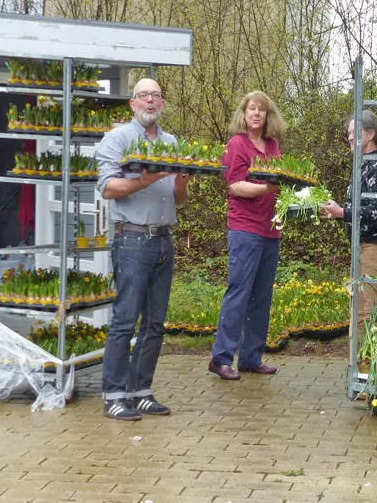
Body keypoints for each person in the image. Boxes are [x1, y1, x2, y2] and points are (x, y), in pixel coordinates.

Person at [96, 78, 191, 421]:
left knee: (155, 323)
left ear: (162, 103)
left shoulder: (171, 143)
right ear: (132, 104)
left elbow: (179, 198)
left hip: (164, 239)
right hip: (132, 240)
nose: (150, 101)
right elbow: (109, 188)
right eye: (143, 96)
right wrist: (149, 177)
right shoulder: (118, 139)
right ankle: (114, 395)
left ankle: (140, 391)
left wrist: (181, 179)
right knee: (125, 321)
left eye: (156, 96)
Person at [208, 91, 285, 381]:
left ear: (268, 116)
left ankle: (251, 358)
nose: (256, 114)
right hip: (244, 229)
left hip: (270, 229)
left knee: (261, 296)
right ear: (243, 114)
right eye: (251, 109)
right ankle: (221, 358)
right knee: (238, 294)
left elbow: (280, 178)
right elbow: (235, 186)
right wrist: (268, 189)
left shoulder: (272, 144)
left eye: (262, 110)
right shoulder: (236, 144)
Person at [320, 111, 377, 338]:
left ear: (371, 134)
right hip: (362, 247)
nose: (350, 137)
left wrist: (341, 213)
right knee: (359, 313)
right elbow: (357, 206)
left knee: (372, 315)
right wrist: (336, 210)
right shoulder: (361, 164)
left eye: (355, 132)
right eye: (349, 133)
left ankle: (374, 371)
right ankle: (360, 368)